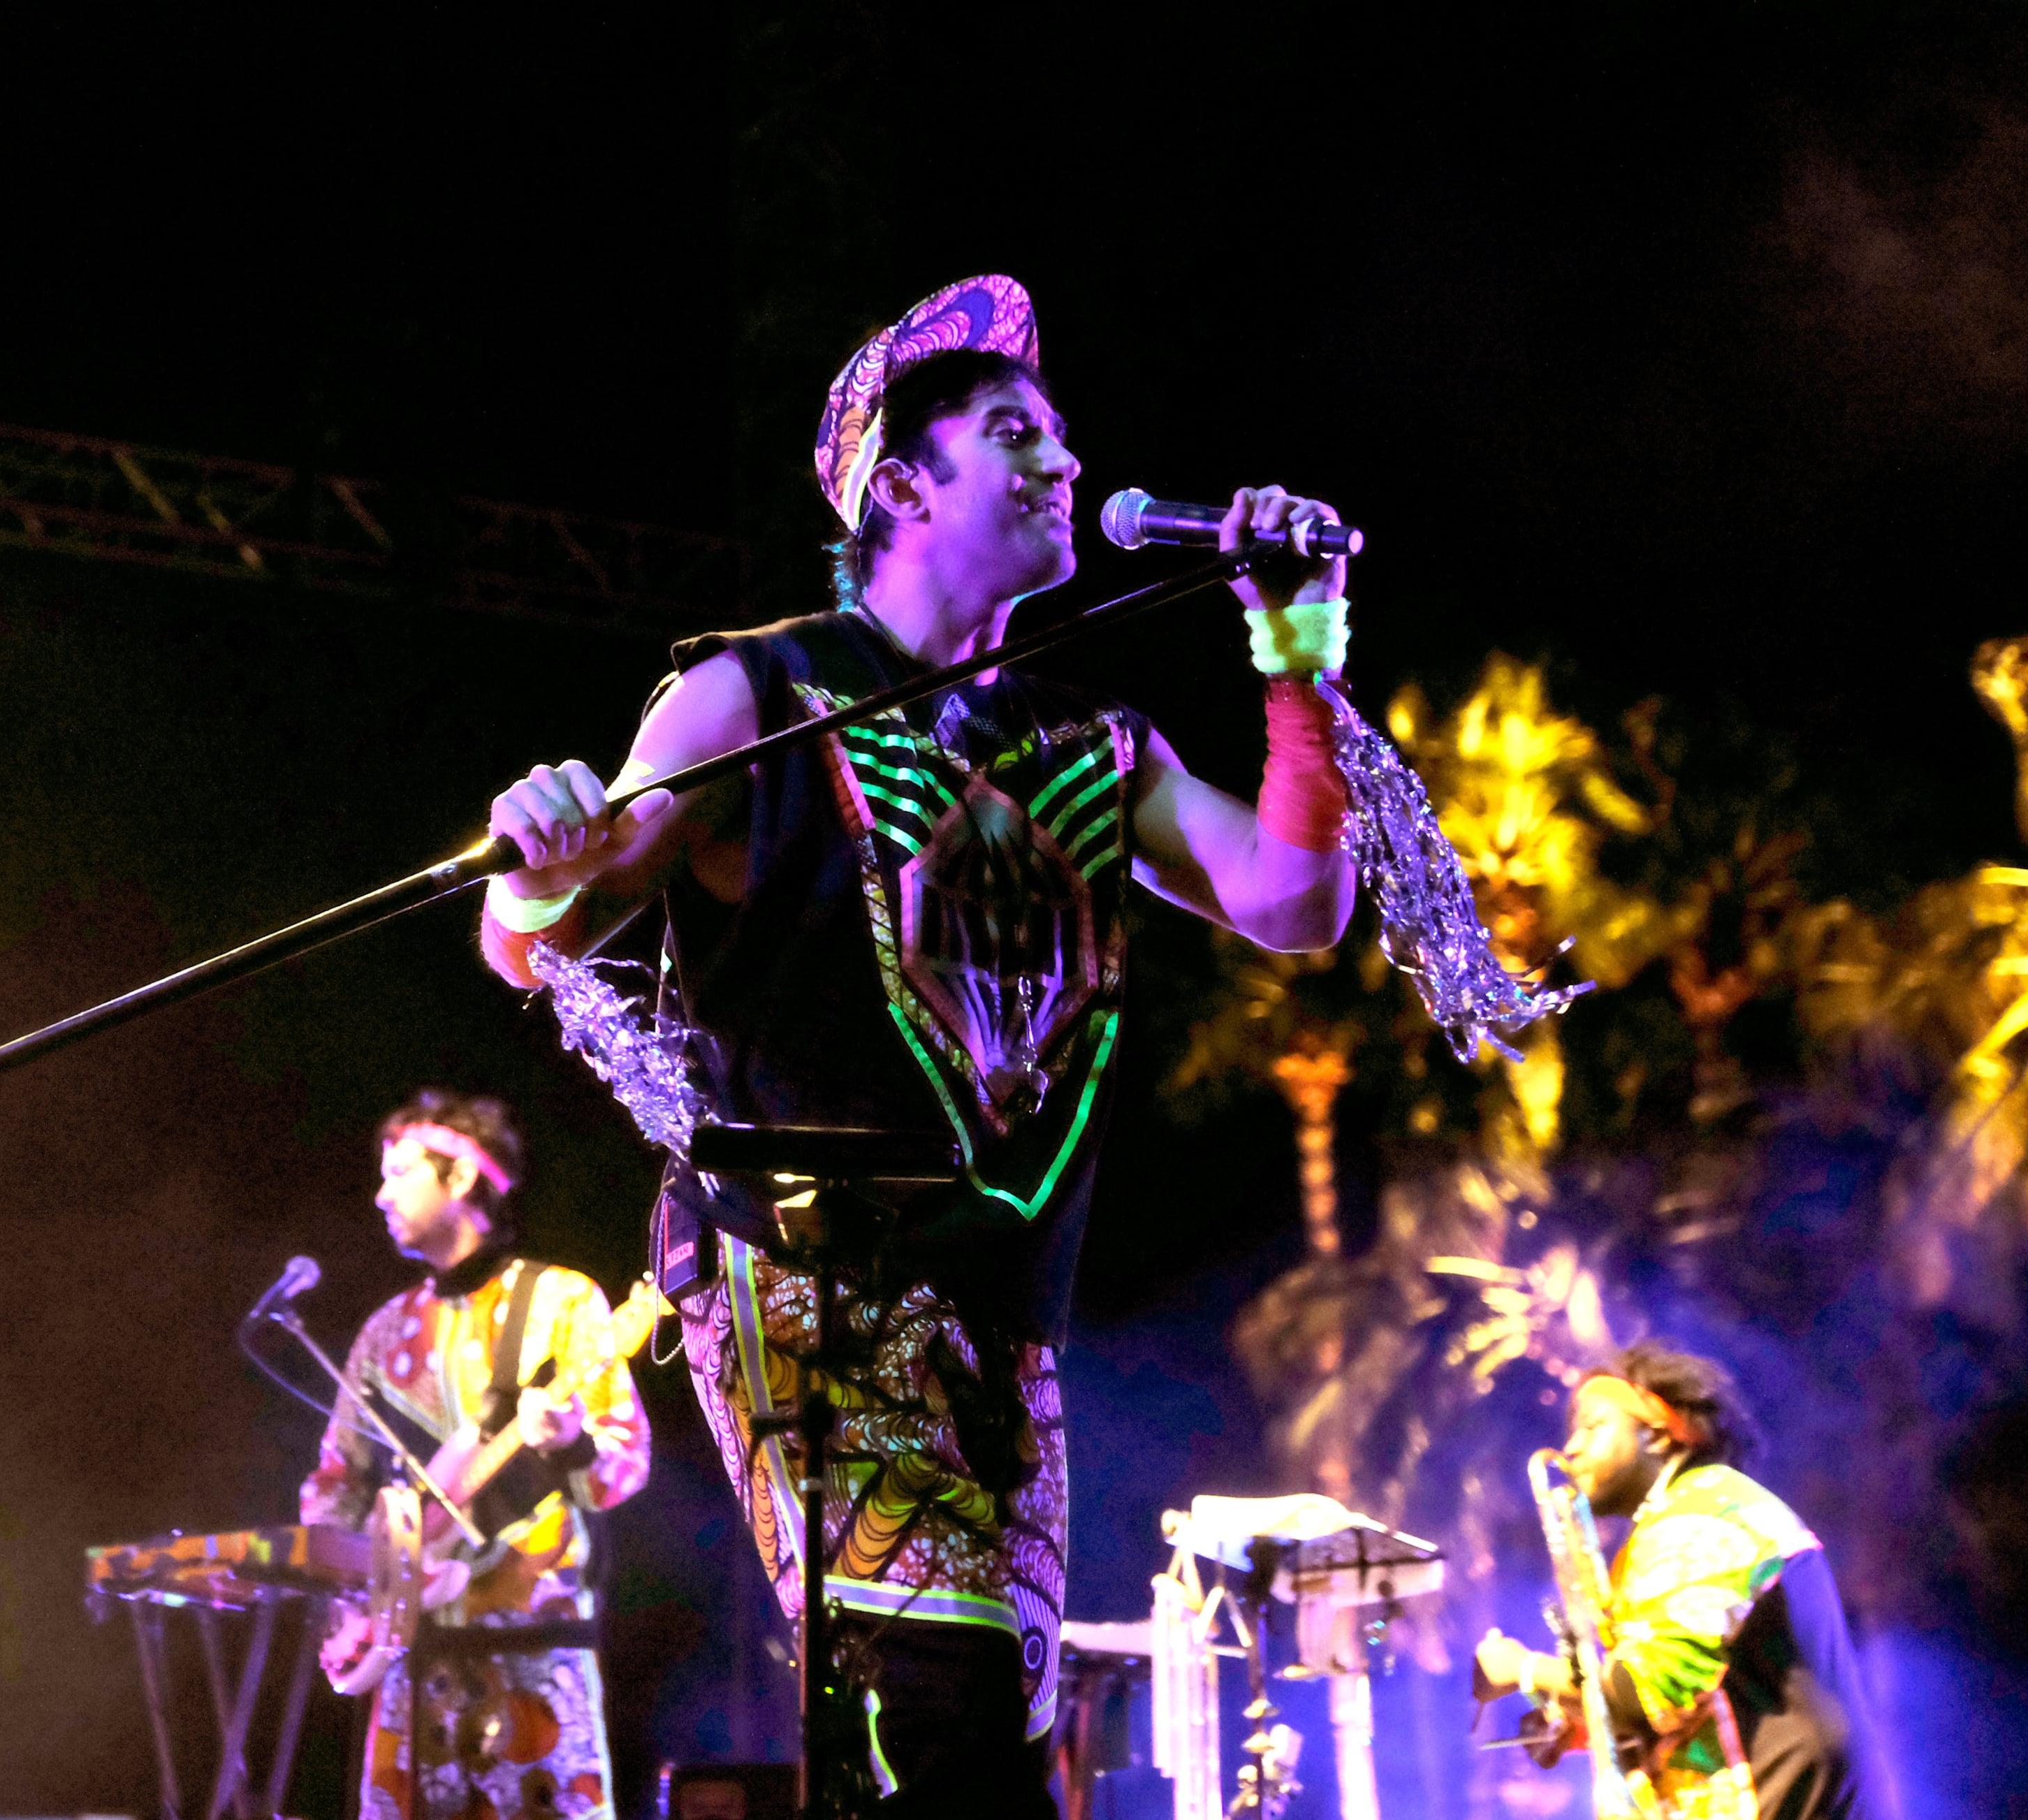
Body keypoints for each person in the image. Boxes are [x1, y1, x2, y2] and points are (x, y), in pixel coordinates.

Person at [474, 275, 1357, 1814]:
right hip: (808, 1296)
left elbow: (1294, 899)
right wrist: (540, 849)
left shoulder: (1096, 744)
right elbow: (538, 931)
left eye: (1062, 437)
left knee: (990, 1754)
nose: (1065, 464)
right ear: (902, 486)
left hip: (1000, 1334)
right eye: (1016, 432)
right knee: (946, 1731)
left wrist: (1297, 665)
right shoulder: (758, 692)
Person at [300, 1089, 651, 1820]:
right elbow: (337, 1481)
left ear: (460, 1179)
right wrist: (344, 1602)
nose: (379, 1193)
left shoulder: (564, 1302)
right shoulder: (383, 1332)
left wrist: (568, 1440)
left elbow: (623, 1465)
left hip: (538, 1654)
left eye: (399, 1172)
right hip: (413, 1662)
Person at [1474, 1342, 1888, 1820]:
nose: (1572, 1447)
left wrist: (1521, 1668)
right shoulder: (1672, 1522)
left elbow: (1643, 1693)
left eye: (1593, 1426)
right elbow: (1690, 1702)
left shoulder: (1704, 1516)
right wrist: (1583, 1725)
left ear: (1658, 1435)